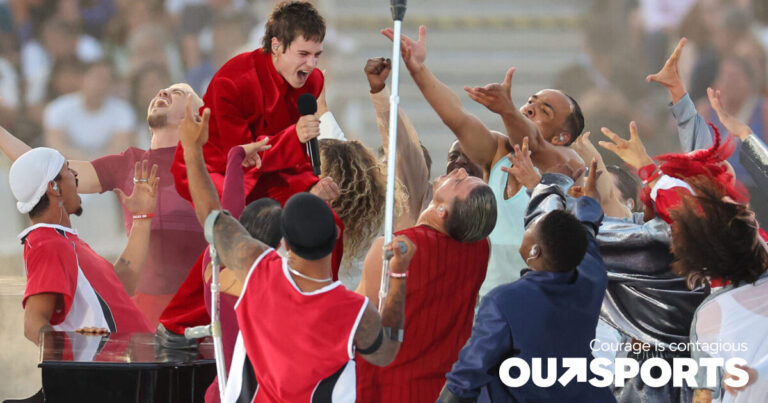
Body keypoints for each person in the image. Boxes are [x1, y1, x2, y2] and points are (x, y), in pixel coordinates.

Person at [180, 98, 414, 402]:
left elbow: (213, 216)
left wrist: (191, 149)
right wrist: (398, 274)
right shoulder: (356, 313)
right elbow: (388, 350)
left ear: (285, 243)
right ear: (334, 241)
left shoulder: (257, 272)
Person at [383, 25, 585, 298]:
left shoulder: (567, 164)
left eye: (543, 111)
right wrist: (418, 69)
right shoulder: (499, 151)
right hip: (482, 303)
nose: (529, 109)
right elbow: (457, 118)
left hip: (537, 301)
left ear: (563, 137)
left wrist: (508, 110)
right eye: (530, 102)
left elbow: (535, 142)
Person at [0, 83, 210, 327]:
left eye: (177, 93)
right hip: (146, 315)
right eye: (161, 91)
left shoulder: (215, 163)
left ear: (197, 116)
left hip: (203, 307)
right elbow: (42, 167)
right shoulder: (127, 164)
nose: (162, 93)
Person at [438, 161, 614, 402]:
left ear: (534, 253)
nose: (528, 227)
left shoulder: (504, 302)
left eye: (532, 228)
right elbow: (585, 231)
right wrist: (589, 201)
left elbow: (467, 377)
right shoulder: (590, 276)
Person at [355, 166, 497, 402]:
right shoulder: (482, 248)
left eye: (460, 182)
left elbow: (357, 326)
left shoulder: (388, 249)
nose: (459, 170)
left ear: (442, 211)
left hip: (385, 389)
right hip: (443, 390)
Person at [171, 0, 328, 206]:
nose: (312, 64)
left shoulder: (313, 81)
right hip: (211, 174)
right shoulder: (232, 82)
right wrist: (294, 136)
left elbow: (291, 161)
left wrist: (310, 184)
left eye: (317, 55)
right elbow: (242, 159)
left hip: (265, 176)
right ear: (276, 46)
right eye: (303, 54)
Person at [9, 148, 155, 345]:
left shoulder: (60, 239)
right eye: (68, 169)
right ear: (54, 187)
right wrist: (72, 371)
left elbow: (123, 283)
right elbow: (33, 323)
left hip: (134, 365)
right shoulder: (47, 243)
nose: (76, 174)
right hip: (117, 370)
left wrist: (142, 217)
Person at [44, 60, 136, 161]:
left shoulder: (123, 111)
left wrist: (94, 166)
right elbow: (56, 145)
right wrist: (86, 164)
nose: (101, 84)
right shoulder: (58, 107)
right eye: (97, 78)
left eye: (106, 80)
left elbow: (120, 149)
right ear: (82, 79)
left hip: (107, 169)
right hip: (68, 167)